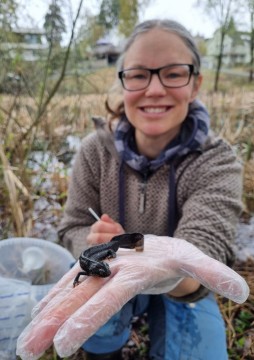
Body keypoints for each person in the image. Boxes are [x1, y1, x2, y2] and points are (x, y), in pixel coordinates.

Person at [16, 19, 249, 360]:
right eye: (139, 74)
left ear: (196, 84)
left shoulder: (218, 161)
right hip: (110, 266)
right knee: (95, 325)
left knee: (199, 350)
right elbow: (73, 225)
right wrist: (93, 241)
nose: (154, 89)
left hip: (182, 286)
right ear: (123, 82)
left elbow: (207, 246)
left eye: (173, 73)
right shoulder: (95, 151)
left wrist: (174, 269)